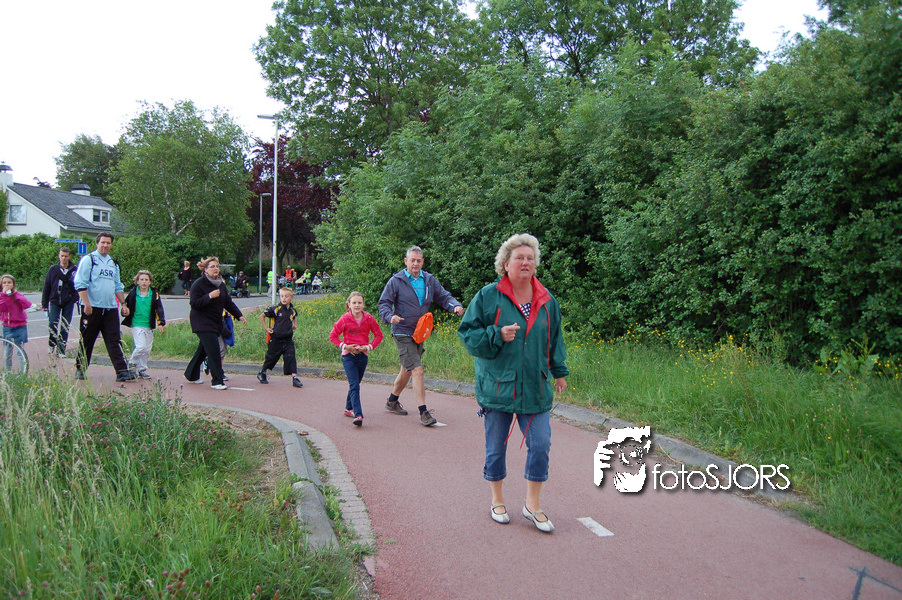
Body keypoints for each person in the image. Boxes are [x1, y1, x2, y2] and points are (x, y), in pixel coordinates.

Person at [457, 234, 569, 533]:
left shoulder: (547, 300)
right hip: (498, 387)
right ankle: (497, 499)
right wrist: (496, 334)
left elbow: (554, 338)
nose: (526, 262)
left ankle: (532, 505)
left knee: (540, 444)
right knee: (495, 448)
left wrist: (559, 371)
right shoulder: (488, 296)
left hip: (535, 387)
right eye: (519, 258)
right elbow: (468, 335)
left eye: (530, 258)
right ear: (505, 264)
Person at [378, 245, 464, 426]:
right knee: (417, 370)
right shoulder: (396, 281)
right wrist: (389, 316)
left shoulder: (429, 280)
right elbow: (384, 303)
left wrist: (455, 305)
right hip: (402, 330)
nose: (415, 264)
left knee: (407, 369)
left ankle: (392, 401)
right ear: (406, 261)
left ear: (422, 262)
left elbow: (443, 296)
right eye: (412, 260)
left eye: (418, 261)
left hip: (419, 332)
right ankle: (423, 412)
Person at [73, 233, 135, 382]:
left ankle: (121, 371)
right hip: (92, 307)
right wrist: (86, 304)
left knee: (114, 339)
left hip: (109, 308)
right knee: (87, 339)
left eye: (108, 243)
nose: (105, 245)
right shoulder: (89, 260)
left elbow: (117, 285)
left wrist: (123, 304)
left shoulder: (113, 263)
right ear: (97, 243)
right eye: (103, 242)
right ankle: (81, 368)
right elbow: (80, 283)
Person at [184, 257, 247, 390]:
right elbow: (194, 303)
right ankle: (217, 381)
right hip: (201, 322)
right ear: (205, 270)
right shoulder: (199, 284)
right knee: (213, 351)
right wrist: (209, 296)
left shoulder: (221, 284)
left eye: (217, 266)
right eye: (212, 266)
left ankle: (191, 374)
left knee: (202, 350)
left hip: (215, 321)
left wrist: (239, 315)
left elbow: (228, 302)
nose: (216, 269)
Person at [329, 291, 384, 427]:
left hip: (362, 356)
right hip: (348, 356)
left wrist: (369, 347)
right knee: (354, 385)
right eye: (354, 303)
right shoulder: (344, 319)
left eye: (359, 302)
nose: (357, 305)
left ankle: (348, 408)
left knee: (355, 383)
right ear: (349, 304)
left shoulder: (369, 318)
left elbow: (379, 335)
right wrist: (345, 346)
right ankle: (358, 414)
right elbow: (333, 336)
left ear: (363, 304)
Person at [121, 270, 166, 379]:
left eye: (146, 280)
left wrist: (160, 323)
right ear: (137, 282)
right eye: (141, 280)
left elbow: (158, 309)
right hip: (137, 324)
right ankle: (131, 363)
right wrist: (124, 311)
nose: (144, 282)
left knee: (146, 349)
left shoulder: (154, 294)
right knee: (140, 346)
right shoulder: (133, 293)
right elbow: (126, 307)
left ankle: (142, 369)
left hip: (148, 325)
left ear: (150, 282)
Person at [256, 287, 303, 388]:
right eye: (282, 296)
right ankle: (262, 372)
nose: (284, 298)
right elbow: (262, 316)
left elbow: (294, 317)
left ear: (291, 298)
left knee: (291, 357)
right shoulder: (275, 309)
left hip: (288, 339)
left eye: (286, 296)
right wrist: (266, 328)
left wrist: (295, 325)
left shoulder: (292, 310)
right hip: (276, 339)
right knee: (271, 358)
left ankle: (295, 378)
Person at [41, 246, 79, 358]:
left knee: (65, 326)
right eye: (62, 256)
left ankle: (61, 349)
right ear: (59, 256)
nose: (64, 258)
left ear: (69, 257)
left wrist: (75, 297)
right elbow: (47, 286)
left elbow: (78, 284)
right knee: (52, 323)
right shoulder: (53, 269)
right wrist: (44, 303)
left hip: (68, 301)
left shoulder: (74, 270)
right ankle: (51, 343)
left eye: (66, 256)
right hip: (55, 300)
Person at [0, 274, 31, 369]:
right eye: (4, 283)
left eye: (9, 283)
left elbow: (27, 305)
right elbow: (1, 308)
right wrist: (4, 295)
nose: (7, 285)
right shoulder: (2, 297)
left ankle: (23, 371)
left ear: (13, 284)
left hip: (20, 326)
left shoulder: (18, 295)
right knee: (7, 352)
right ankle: (8, 372)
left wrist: (15, 294)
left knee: (20, 351)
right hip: (7, 326)